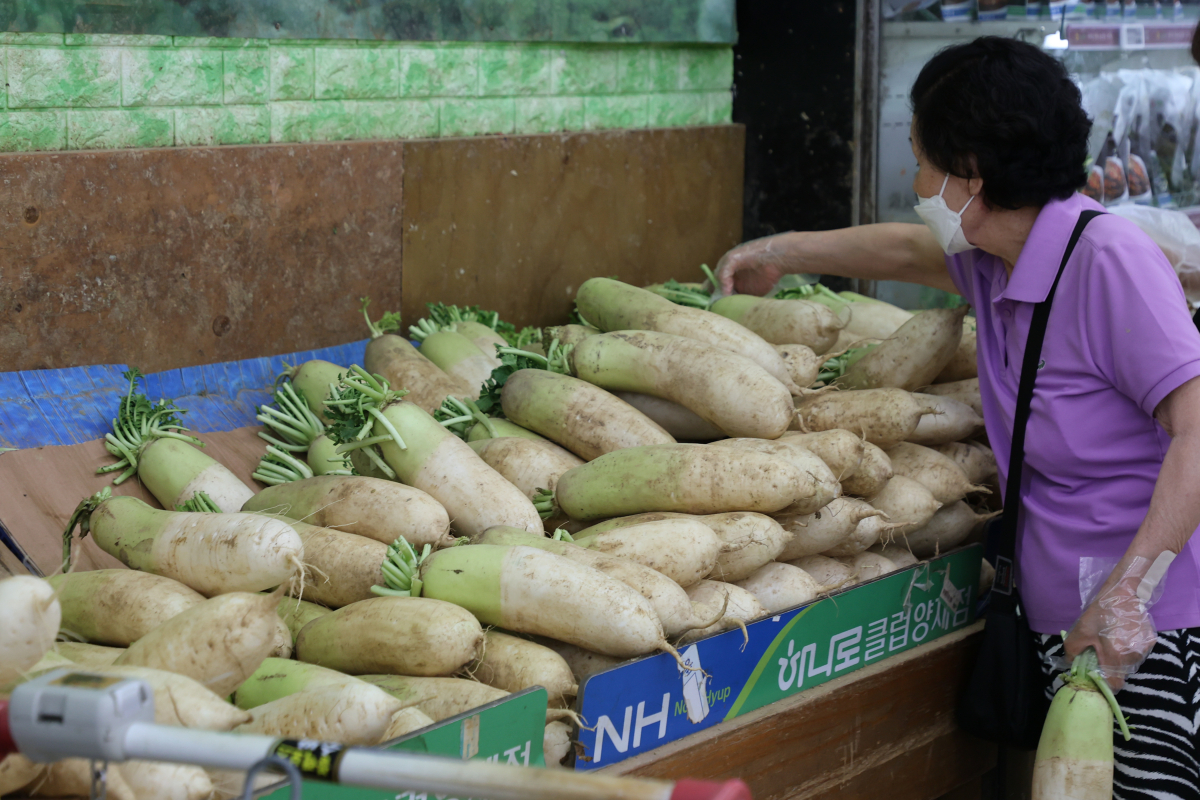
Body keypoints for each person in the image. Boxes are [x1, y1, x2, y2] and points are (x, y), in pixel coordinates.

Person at [716, 37, 1200, 799]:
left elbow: (1198, 430)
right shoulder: (997, 258)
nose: (916, 183)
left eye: (922, 161)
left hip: (1150, 628)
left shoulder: (1108, 261)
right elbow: (910, 251)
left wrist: (1129, 594)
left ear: (971, 173)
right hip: (1061, 619)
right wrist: (783, 249)